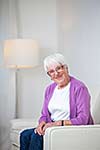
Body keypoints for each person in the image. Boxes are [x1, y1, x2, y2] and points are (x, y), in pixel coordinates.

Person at [20, 53, 94, 150]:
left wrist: (57, 124)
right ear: (49, 75)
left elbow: (83, 119)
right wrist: (41, 123)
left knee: (37, 137)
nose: (56, 73)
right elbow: (44, 115)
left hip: (71, 128)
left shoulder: (79, 88)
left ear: (66, 68)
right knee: (24, 135)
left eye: (59, 68)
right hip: (52, 127)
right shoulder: (49, 89)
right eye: (51, 71)